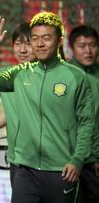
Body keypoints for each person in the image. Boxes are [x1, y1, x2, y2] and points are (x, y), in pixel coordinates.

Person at [0, 12, 93, 203]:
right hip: (25, 169)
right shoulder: (20, 73)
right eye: (35, 39)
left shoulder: (75, 77)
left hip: (61, 170)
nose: (39, 44)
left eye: (46, 38)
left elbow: (87, 123)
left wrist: (77, 160)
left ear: (59, 40)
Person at [0, 22, 36, 186]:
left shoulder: (51, 75)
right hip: (18, 159)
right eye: (18, 44)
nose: (23, 49)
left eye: (28, 43)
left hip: (48, 160)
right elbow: (12, 111)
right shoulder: (7, 76)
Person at [68, 25, 99, 203]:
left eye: (93, 45)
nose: (88, 50)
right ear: (72, 48)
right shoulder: (63, 75)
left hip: (94, 161)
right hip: (68, 159)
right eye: (82, 45)